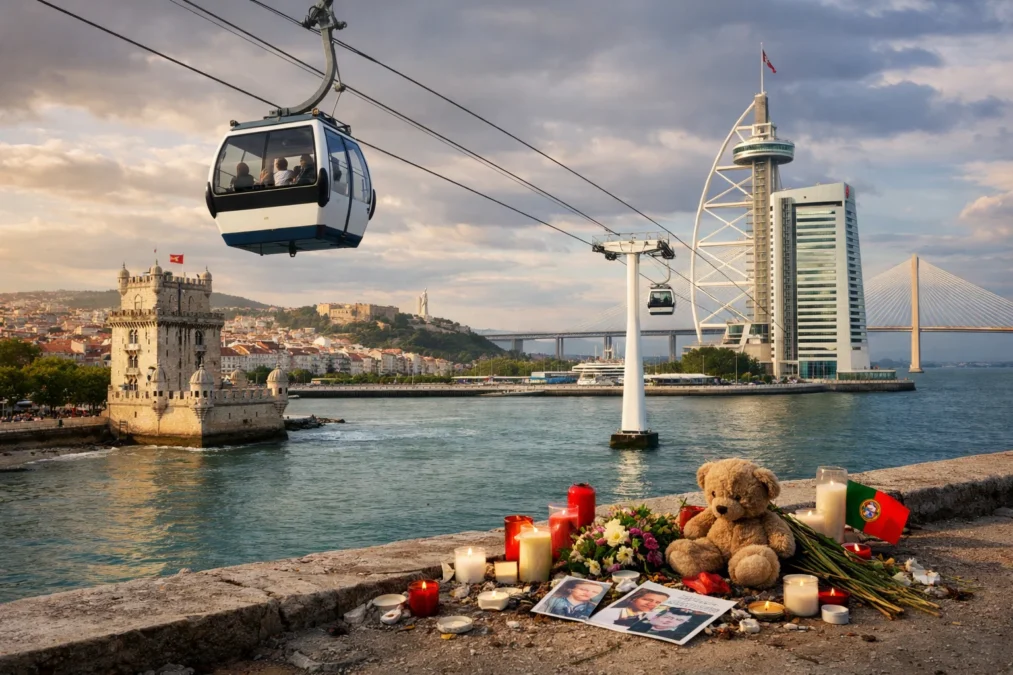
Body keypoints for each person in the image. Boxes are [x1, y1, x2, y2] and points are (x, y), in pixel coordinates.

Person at [592, 588, 669, 627]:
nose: (652, 604)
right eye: (647, 599)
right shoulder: (609, 613)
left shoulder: (656, 618)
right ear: (634, 599)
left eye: (658, 603)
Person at [627, 607, 708, 642]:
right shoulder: (637, 624)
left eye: (679, 619)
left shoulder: (678, 635)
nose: (669, 621)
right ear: (657, 616)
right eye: (667, 617)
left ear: (683, 623)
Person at [541, 580, 606, 620]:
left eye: (595, 592)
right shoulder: (553, 600)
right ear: (570, 589)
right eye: (583, 589)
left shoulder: (592, 607)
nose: (589, 593)